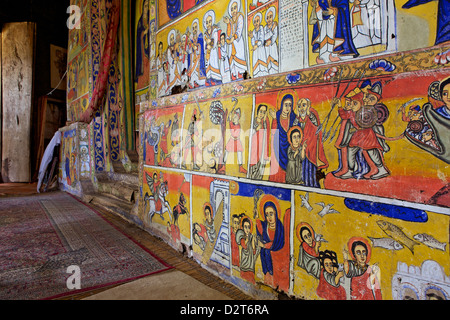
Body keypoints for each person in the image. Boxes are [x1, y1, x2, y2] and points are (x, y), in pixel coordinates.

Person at [256, 196, 290, 291]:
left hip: (278, 251)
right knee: (263, 251)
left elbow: (278, 242)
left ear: (276, 213)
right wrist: (256, 218)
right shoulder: (266, 226)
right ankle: (267, 275)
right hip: (267, 253)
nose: (269, 217)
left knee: (266, 250)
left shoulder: (279, 227)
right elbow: (260, 228)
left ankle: (271, 276)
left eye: (271, 214)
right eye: (267, 214)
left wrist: (264, 245)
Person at [294, 98, 329, 187]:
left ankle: (312, 184)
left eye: (304, 105)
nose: (302, 108)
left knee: (310, 168)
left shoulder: (312, 116)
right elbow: (293, 130)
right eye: (299, 106)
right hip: (301, 148)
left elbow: (316, 128)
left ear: (308, 106)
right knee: (302, 168)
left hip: (311, 147)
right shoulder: (297, 119)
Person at [269, 93, 297, 182]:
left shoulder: (293, 117)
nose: (287, 107)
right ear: (281, 104)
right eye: (286, 105)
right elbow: (273, 131)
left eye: (290, 105)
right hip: (277, 146)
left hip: (289, 148)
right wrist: (274, 119)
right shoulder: (277, 115)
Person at [224, 0, 248, 81]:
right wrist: (228, 24)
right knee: (232, 59)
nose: (234, 11)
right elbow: (228, 33)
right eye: (232, 9)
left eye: (235, 8)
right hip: (231, 43)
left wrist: (233, 38)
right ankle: (234, 73)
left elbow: (239, 29)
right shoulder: (230, 20)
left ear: (238, 8)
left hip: (238, 41)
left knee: (239, 56)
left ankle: (241, 73)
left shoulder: (240, 16)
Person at [236, 215, 260, 284]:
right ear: (242, 227)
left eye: (248, 227)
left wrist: (253, 242)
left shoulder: (251, 237)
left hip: (251, 266)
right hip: (244, 266)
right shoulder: (241, 236)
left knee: (251, 280)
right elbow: (244, 245)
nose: (247, 229)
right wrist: (247, 238)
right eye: (245, 227)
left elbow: (254, 252)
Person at [250, 104, 271, 179]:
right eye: (261, 111)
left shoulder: (264, 123)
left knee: (260, 172)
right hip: (254, 151)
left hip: (261, 151)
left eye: (264, 112)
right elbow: (248, 135)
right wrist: (256, 130)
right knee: (252, 171)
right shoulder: (253, 121)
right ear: (257, 111)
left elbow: (267, 135)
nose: (262, 114)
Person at [223, 107, 247, 174]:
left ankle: (241, 167)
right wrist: (230, 118)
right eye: (234, 117)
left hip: (236, 141)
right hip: (232, 140)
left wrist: (230, 119)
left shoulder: (238, 125)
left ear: (238, 118)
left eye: (235, 117)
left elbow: (233, 130)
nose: (234, 118)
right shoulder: (232, 124)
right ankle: (223, 166)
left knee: (239, 152)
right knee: (226, 151)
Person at [203, 10, 222, 86]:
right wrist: (206, 46)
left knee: (214, 64)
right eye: (207, 22)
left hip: (213, 51)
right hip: (208, 53)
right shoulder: (205, 34)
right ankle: (209, 79)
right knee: (208, 65)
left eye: (210, 22)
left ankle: (216, 79)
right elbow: (204, 44)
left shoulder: (214, 30)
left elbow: (215, 40)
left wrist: (210, 43)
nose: (208, 24)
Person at [249, 12, 269, 78]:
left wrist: (257, 45)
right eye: (254, 22)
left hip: (260, 48)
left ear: (259, 21)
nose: (256, 23)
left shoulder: (261, 29)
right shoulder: (254, 31)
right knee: (256, 68)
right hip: (255, 50)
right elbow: (252, 43)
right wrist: (252, 37)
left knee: (262, 65)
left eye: (257, 21)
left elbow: (262, 39)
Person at [264, 6, 279, 74]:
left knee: (274, 60)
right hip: (267, 46)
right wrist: (271, 30)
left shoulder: (274, 25)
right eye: (267, 18)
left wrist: (271, 41)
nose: (269, 19)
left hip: (272, 45)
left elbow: (275, 35)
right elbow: (264, 37)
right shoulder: (265, 28)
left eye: (270, 17)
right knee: (268, 63)